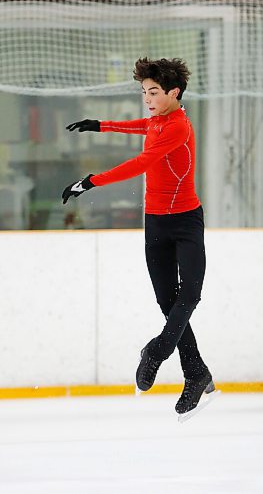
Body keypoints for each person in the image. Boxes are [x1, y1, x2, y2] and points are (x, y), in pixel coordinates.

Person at [62, 57, 214, 414]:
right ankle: (196, 372)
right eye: (144, 91)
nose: (147, 98)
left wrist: (90, 181)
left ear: (174, 92)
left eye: (154, 92)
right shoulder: (158, 122)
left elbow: (141, 163)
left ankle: (157, 352)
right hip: (156, 222)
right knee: (167, 301)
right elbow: (140, 126)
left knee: (189, 295)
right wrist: (100, 125)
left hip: (186, 221)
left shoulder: (177, 126)